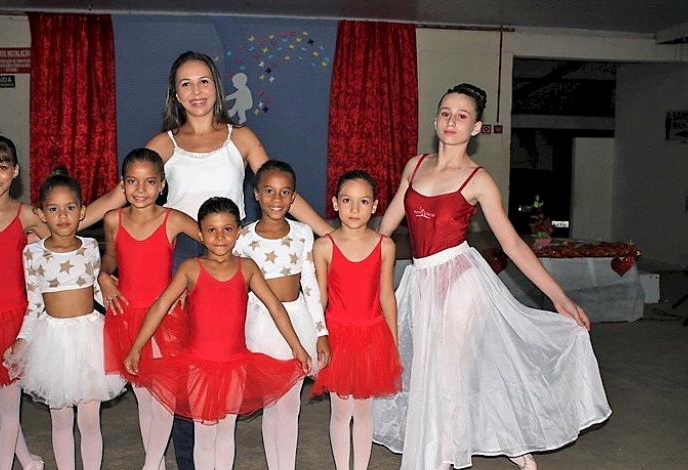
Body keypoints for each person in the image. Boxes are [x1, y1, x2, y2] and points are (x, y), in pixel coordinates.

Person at [371, 83, 612, 470]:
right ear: (435, 120)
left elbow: (513, 245)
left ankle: (442, 458)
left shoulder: (478, 180)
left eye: (462, 116)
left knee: (448, 372)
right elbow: (387, 226)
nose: (452, 121)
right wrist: (355, 259)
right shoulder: (415, 165)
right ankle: (509, 444)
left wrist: (560, 297)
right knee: (425, 367)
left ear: (476, 128)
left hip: (460, 282)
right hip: (419, 279)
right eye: (446, 113)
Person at [143, 50, 334, 469]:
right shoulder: (164, 144)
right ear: (175, 94)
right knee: (188, 363)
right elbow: (130, 193)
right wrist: (64, 224)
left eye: (204, 81)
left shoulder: (241, 137)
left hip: (231, 251)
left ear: (217, 85)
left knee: (224, 355)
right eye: (186, 84)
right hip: (184, 257)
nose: (196, 91)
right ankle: (189, 460)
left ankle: (222, 450)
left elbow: (275, 188)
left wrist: (326, 229)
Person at [0, 129, 126, 470]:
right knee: (1, 407)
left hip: (24, 318)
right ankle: (26, 459)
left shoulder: (28, 215)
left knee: (24, 409)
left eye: (1, 167)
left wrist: (125, 189)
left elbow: (72, 230)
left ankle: (18, 462)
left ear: (15, 170)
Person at [123, 196, 311, 470]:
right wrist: (136, 347)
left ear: (237, 231)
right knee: (205, 434)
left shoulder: (247, 268)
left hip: (235, 365)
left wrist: (297, 347)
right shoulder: (191, 269)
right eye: (211, 230)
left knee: (225, 432)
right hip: (198, 366)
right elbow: (160, 306)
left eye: (227, 229)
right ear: (200, 234)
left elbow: (275, 307)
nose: (220, 237)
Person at [5, 169, 126, 470]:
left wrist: (123, 325)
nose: (62, 216)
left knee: (89, 419)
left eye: (70, 208)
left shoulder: (89, 248)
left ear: (82, 211)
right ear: (41, 214)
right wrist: (22, 340)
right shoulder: (32, 253)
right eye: (53, 209)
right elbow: (34, 303)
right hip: (52, 341)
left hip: (89, 338)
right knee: (60, 420)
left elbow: (99, 292)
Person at [99, 148, 199, 470]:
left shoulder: (173, 220)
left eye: (149, 182)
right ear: (123, 184)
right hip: (126, 315)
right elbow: (112, 256)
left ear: (162, 185)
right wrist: (103, 274)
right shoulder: (113, 219)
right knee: (143, 397)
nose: (140, 190)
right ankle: (155, 463)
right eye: (132, 182)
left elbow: (216, 242)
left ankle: (151, 463)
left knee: (165, 398)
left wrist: (188, 281)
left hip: (165, 318)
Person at [232, 160, 331, 470]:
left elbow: (311, 285)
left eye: (284, 192)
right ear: (257, 195)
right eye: (269, 191)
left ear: (293, 197)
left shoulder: (303, 232)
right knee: (271, 404)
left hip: (297, 320)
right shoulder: (243, 238)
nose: (276, 199)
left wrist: (321, 332)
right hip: (259, 324)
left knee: (289, 406)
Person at [310, 170, 403, 470]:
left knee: (364, 412)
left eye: (363, 201)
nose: (354, 208)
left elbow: (387, 295)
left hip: (372, 335)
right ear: (335, 203)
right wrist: (314, 336)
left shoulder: (385, 246)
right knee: (340, 411)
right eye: (347, 200)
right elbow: (320, 299)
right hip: (337, 336)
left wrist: (392, 341)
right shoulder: (324, 246)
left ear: (375, 206)